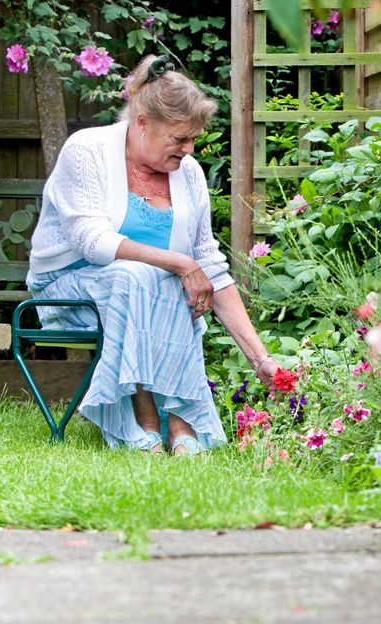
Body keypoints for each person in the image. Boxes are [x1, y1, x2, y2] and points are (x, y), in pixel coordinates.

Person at [26, 55, 279, 456]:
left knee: (158, 280)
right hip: (68, 290)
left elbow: (209, 265)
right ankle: (148, 419)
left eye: (193, 138)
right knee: (144, 276)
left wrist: (260, 358)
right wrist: (180, 263)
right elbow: (91, 241)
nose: (189, 149)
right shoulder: (87, 150)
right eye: (179, 138)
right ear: (141, 123)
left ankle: (178, 423)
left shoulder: (189, 173)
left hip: (146, 293)